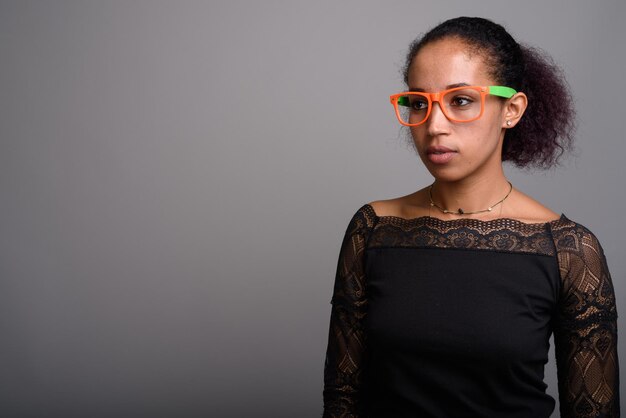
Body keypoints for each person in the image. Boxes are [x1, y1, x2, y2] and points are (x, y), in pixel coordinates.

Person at [322, 17, 619, 417]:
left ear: (511, 109)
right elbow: (342, 399)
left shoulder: (569, 251)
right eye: (419, 103)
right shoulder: (372, 229)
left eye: (460, 100)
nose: (434, 126)